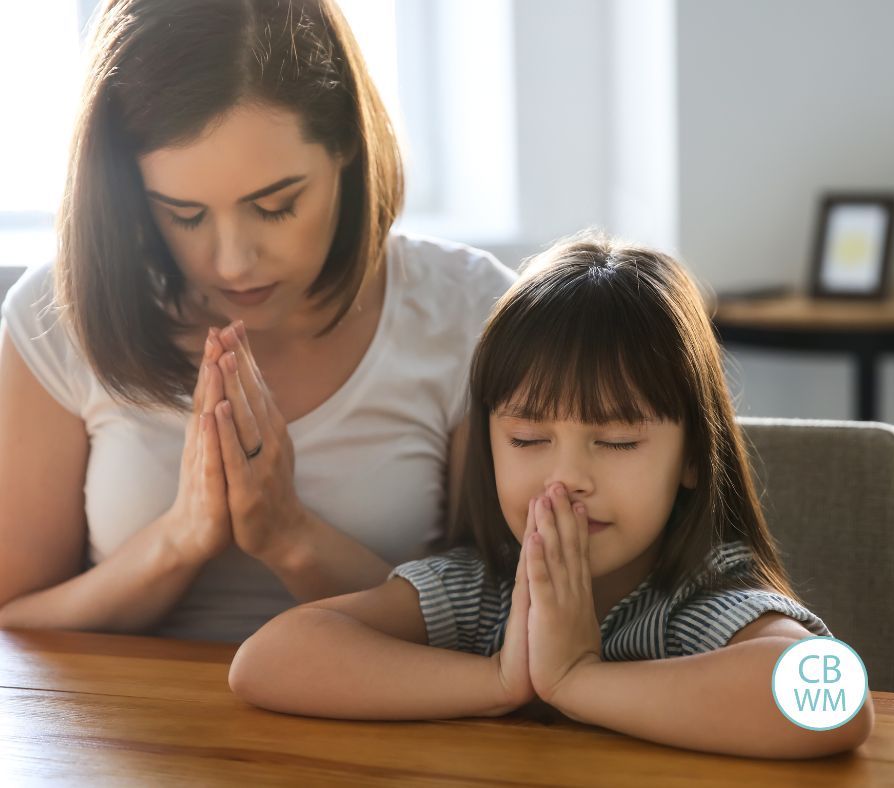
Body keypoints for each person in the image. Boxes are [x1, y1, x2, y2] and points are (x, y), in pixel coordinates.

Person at [228, 232, 874, 758]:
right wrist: (499, 680)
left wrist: (577, 679)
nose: (566, 478)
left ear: (693, 459)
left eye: (618, 442)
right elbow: (265, 662)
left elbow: (834, 702)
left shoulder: (694, 598)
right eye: (530, 439)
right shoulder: (482, 591)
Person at [0, 0, 514, 641]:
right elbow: (14, 621)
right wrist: (179, 541)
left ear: (348, 145)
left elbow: (504, 625)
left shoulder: (468, 310)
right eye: (184, 215)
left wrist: (291, 537)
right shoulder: (57, 316)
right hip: (123, 732)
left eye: (275, 206)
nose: (232, 263)